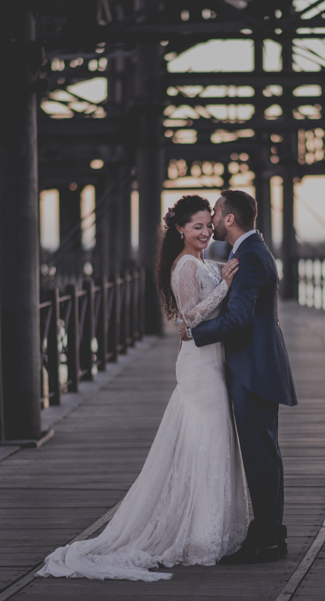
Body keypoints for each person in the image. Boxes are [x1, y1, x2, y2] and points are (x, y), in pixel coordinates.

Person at [37, 195, 248, 581]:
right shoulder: (184, 265)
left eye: (208, 225)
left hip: (212, 361)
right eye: (197, 226)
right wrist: (224, 288)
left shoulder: (203, 263)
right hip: (200, 367)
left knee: (210, 441)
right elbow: (190, 316)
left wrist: (232, 269)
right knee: (208, 439)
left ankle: (209, 530)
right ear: (180, 229)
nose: (205, 232)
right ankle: (200, 537)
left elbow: (220, 280)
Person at [180, 189, 298, 564]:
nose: (212, 219)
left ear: (230, 219)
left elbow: (239, 319)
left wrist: (194, 334)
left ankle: (267, 539)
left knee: (260, 456)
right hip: (256, 364)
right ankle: (268, 533)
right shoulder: (247, 252)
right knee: (263, 454)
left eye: (215, 213)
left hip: (254, 368)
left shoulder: (248, 256)